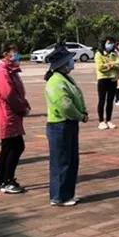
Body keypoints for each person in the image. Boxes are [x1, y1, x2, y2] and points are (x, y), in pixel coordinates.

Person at [44, 44, 88, 206]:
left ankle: (67, 194)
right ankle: (58, 196)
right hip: (60, 125)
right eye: (69, 60)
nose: (72, 62)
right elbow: (65, 105)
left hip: (68, 124)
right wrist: (80, 115)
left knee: (70, 160)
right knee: (61, 162)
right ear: (62, 63)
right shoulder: (56, 81)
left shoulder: (65, 78)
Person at [0, 42, 31, 193]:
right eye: (14, 52)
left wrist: (24, 103)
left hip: (10, 113)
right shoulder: (1, 71)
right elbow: (9, 94)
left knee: (7, 147)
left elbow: (16, 92)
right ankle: (7, 180)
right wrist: (22, 108)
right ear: (5, 54)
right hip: (7, 114)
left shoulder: (9, 69)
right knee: (16, 146)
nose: (17, 55)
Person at [95, 36, 119, 129]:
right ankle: (101, 121)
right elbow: (100, 67)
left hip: (113, 79)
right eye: (109, 43)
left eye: (112, 43)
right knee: (102, 100)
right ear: (104, 43)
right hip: (103, 80)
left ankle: (109, 120)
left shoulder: (114, 53)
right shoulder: (99, 54)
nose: (111, 45)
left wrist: (110, 64)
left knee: (110, 101)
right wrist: (112, 65)